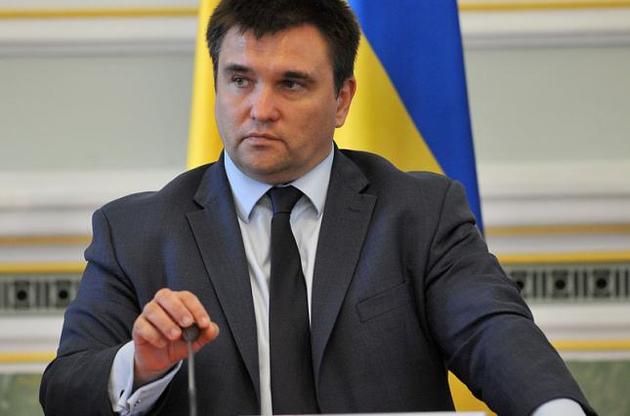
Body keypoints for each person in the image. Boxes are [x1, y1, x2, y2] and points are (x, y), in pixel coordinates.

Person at [40, 0, 596, 415]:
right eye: (240, 80)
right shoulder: (134, 231)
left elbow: (491, 332)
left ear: (342, 100)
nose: (260, 109)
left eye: (291, 84)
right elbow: (64, 389)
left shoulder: (419, 214)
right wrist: (137, 366)